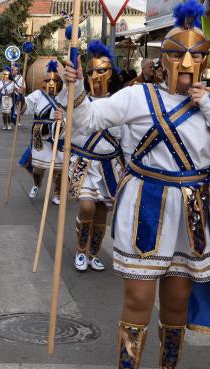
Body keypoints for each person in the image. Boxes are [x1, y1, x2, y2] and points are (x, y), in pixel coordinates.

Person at [55, 0, 210, 369]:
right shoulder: (138, 96)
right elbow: (87, 119)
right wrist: (73, 90)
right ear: (165, 58)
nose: (186, 65)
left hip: (191, 212)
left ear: (206, 58)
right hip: (144, 207)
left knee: (176, 302)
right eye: (178, 55)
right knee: (137, 299)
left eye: (196, 55)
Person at [69, 40, 125, 273]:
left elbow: (128, 138)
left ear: (111, 73)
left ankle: (93, 253)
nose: (96, 75)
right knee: (87, 207)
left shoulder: (121, 101)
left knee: (102, 211)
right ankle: (81, 251)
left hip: (110, 165)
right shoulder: (81, 98)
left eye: (102, 70)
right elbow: (69, 100)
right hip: (85, 163)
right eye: (92, 71)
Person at [18, 60, 63, 205]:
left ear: (59, 82)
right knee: (38, 166)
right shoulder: (37, 95)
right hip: (40, 136)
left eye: (54, 80)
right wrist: (20, 97)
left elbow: (73, 114)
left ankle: (57, 192)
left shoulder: (65, 96)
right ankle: (37, 185)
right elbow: (25, 108)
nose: (51, 83)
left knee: (59, 167)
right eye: (48, 80)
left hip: (59, 135)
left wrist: (63, 119)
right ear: (44, 82)